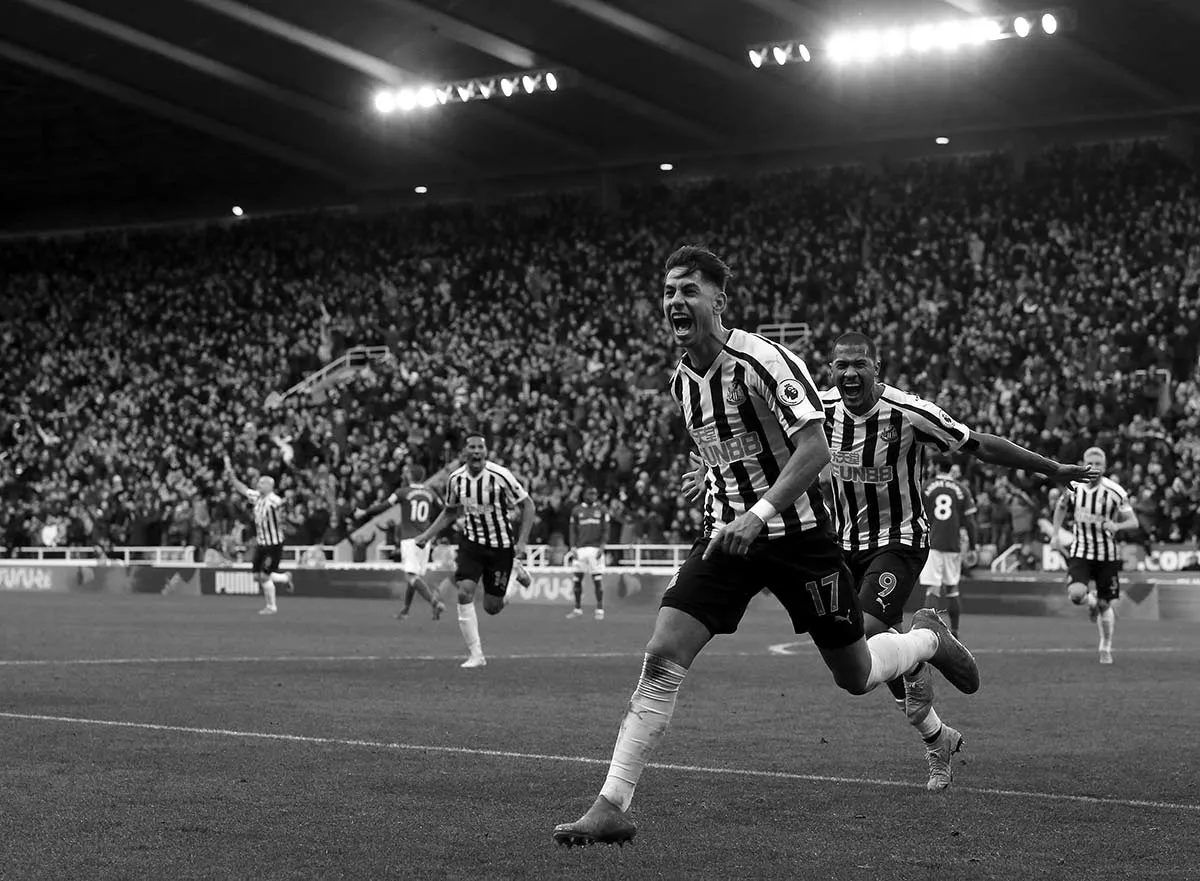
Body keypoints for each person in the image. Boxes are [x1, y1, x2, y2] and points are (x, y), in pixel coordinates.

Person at [553, 246, 981, 848]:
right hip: (727, 539)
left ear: (717, 301)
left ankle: (927, 639)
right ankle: (611, 804)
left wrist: (758, 511)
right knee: (662, 652)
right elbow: (732, 454)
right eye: (670, 290)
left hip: (800, 539)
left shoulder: (764, 361)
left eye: (689, 290)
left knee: (854, 674)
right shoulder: (681, 381)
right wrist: (715, 481)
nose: (676, 300)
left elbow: (814, 449)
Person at [817, 332, 1095, 790]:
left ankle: (928, 637)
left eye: (859, 364)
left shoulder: (910, 413)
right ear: (830, 369)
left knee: (861, 635)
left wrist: (1051, 469)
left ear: (877, 367)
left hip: (900, 542)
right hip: (844, 547)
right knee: (856, 667)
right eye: (841, 365)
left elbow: (980, 444)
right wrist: (712, 471)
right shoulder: (818, 411)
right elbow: (766, 443)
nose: (850, 373)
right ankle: (936, 737)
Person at [412, 431, 535, 668]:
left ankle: (514, 574)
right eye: (472, 447)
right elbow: (450, 511)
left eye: (481, 447)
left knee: (492, 607)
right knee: (464, 592)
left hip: (500, 547)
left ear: (486, 452)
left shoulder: (501, 475)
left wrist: (522, 542)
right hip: (472, 544)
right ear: (464, 452)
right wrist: (427, 536)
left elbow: (527, 505)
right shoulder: (456, 479)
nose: (476, 451)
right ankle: (476, 655)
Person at [1051, 446, 1140, 664]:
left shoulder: (1116, 492)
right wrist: (1055, 534)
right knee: (1076, 594)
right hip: (1081, 550)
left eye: (1099, 464)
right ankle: (1089, 602)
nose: (1095, 468)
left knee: (1104, 605)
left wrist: (1117, 526)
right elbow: (1061, 507)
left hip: (1106, 554)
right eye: (1091, 463)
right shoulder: (1075, 486)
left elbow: (1134, 522)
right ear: (1084, 463)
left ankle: (1105, 647)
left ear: (1105, 466)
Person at [356, 463, 447, 621]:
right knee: (415, 576)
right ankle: (405, 610)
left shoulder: (402, 492)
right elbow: (444, 510)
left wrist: (365, 512)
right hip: (425, 539)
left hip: (410, 539)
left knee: (411, 577)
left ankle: (434, 602)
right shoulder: (431, 493)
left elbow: (384, 505)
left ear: (410, 476)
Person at [224, 454, 292, 615]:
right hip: (261, 543)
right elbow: (240, 487)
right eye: (259, 482)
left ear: (270, 486)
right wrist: (230, 474)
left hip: (273, 544)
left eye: (262, 483)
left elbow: (282, 505)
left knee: (263, 576)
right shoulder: (257, 497)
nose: (259, 484)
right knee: (256, 576)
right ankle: (285, 578)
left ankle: (272, 607)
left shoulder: (273, 500)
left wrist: (286, 504)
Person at [921, 456, 978, 638]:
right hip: (953, 544)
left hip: (933, 542)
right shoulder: (962, 490)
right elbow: (970, 521)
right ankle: (955, 631)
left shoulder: (926, 487)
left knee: (933, 589)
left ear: (937, 466)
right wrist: (973, 547)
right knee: (953, 588)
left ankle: (928, 631)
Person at [566, 486, 609, 620]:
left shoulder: (601, 510)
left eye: (595, 493)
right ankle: (577, 608)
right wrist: (572, 546)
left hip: (595, 549)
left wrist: (602, 546)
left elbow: (606, 530)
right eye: (590, 493)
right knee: (577, 579)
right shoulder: (577, 510)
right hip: (580, 549)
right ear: (584, 495)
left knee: (597, 580)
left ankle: (600, 609)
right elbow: (572, 529)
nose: (593, 496)